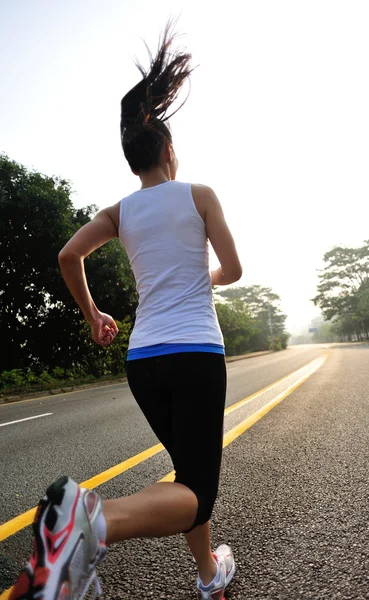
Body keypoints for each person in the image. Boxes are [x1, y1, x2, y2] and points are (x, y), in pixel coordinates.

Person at [10, 22, 242, 600]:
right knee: (197, 490)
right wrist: (201, 280)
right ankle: (85, 524)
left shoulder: (119, 210)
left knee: (188, 474)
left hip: (144, 360)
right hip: (194, 351)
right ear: (169, 150)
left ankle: (209, 576)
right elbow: (234, 270)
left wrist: (93, 315)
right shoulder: (200, 195)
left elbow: (69, 254)